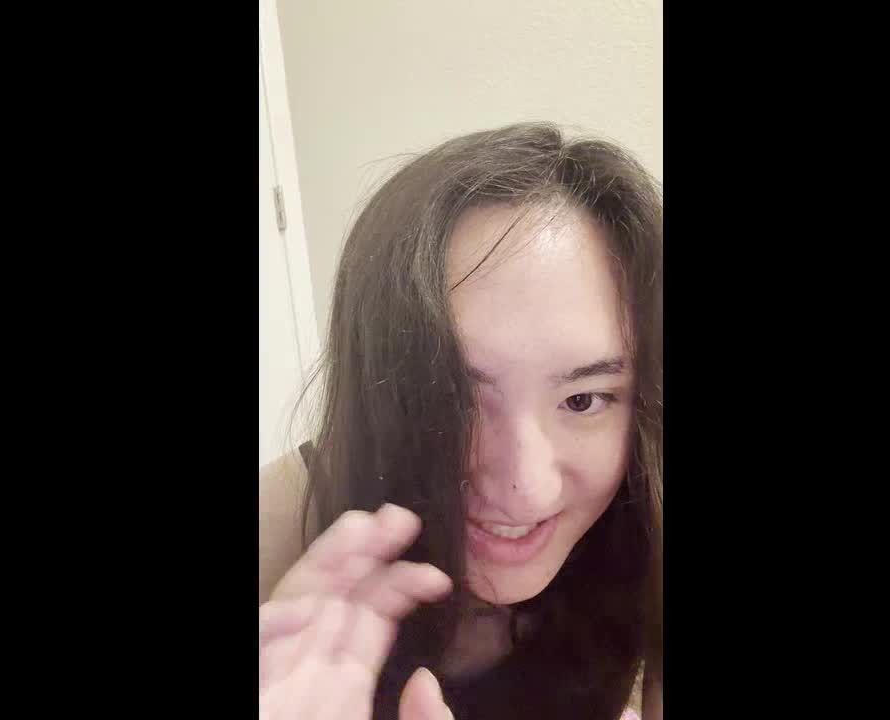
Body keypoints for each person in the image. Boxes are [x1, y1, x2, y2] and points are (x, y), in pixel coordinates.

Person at [259, 122, 663, 720]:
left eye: (583, 400)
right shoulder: (278, 528)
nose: (526, 489)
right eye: (456, 396)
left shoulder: (642, 515)